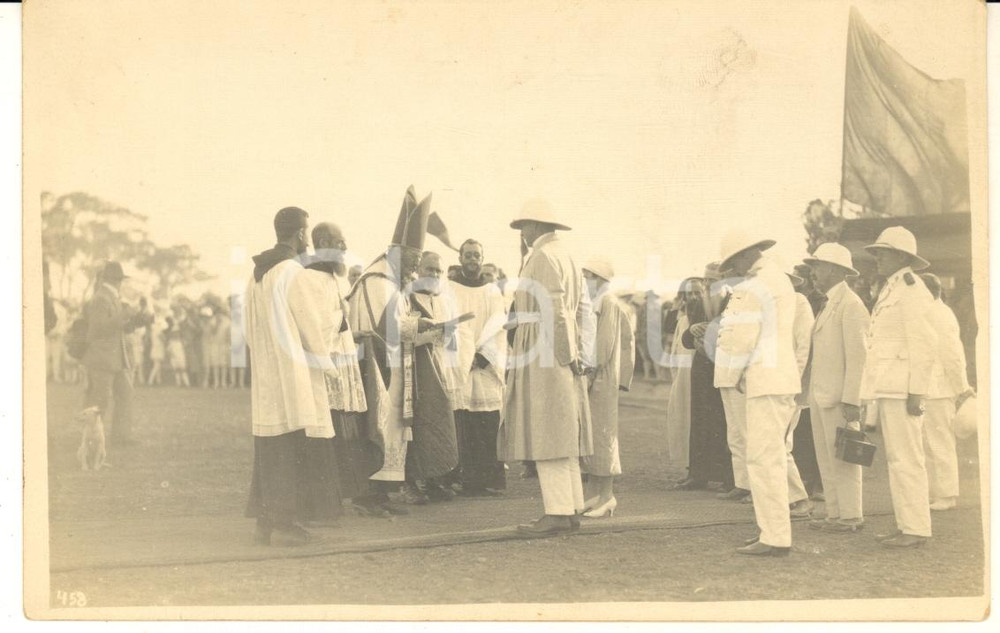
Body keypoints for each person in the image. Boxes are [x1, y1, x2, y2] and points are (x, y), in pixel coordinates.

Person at [244, 206, 343, 546]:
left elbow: (248, 330)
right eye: (307, 233)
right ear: (301, 233)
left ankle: (265, 523)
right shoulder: (292, 272)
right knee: (294, 444)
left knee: (271, 445)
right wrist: (328, 365)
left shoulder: (256, 275)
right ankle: (286, 525)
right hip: (294, 372)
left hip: (267, 375)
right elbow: (310, 326)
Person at [498, 199, 595, 537]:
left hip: (546, 349)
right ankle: (570, 507)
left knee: (547, 430)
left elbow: (556, 308)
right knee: (562, 431)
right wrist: (579, 351)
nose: (522, 233)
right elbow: (580, 309)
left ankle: (557, 511)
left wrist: (567, 354)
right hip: (553, 345)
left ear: (536, 225)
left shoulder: (543, 256)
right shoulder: (566, 255)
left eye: (523, 226)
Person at [346, 186, 439, 517]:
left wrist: (419, 325)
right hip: (376, 367)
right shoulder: (376, 281)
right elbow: (385, 329)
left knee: (392, 428)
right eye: (412, 261)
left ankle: (382, 494)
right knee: (378, 425)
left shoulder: (392, 282)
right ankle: (366, 497)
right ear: (396, 253)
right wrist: (421, 326)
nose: (414, 269)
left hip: (393, 366)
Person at [714, 230, 800, 557]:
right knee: (770, 457)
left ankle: (775, 536)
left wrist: (734, 372)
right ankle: (774, 531)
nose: (733, 269)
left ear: (746, 255)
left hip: (764, 378)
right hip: (780, 377)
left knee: (763, 460)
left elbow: (743, 336)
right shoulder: (779, 279)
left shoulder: (756, 284)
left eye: (734, 262)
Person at [860, 226, 938, 548]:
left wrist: (917, 391)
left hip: (904, 388)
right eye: (877, 251)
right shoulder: (891, 288)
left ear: (902, 257)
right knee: (897, 460)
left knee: (907, 459)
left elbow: (924, 343)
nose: (877, 257)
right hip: (889, 385)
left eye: (884, 252)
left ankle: (916, 528)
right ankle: (907, 525)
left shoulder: (911, 289)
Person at [305, 222, 383, 514]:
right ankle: (324, 501)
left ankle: (343, 495)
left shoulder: (334, 277)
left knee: (346, 435)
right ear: (324, 242)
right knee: (330, 434)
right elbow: (316, 326)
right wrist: (341, 327)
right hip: (327, 368)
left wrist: (353, 334)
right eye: (340, 242)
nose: (345, 247)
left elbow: (338, 323)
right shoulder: (310, 277)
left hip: (343, 363)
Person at [802, 242, 868, 533]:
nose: (813, 272)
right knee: (826, 457)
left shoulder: (851, 305)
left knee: (844, 458)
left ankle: (850, 516)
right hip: (821, 394)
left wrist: (852, 400)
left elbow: (858, 357)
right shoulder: (829, 303)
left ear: (834, 269)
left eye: (817, 266)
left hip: (840, 398)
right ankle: (835, 513)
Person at [400, 250, 461, 504]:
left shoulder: (445, 298)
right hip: (413, 369)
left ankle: (435, 479)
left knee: (437, 422)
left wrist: (447, 334)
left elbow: (454, 338)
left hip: (438, 365)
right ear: (418, 270)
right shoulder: (407, 296)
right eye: (429, 269)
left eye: (438, 270)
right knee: (415, 426)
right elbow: (402, 334)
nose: (434, 274)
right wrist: (430, 334)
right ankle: (411, 483)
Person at [449, 240, 509, 497]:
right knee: (463, 423)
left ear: (482, 259)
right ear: (460, 258)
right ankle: (465, 479)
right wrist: (464, 356)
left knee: (486, 423)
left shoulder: (492, 291)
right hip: (460, 365)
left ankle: (488, 480)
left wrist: (482, 357)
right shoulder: (448, 289)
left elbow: (499, 327)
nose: (473, 259)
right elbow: (449, 324)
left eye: (477, 255)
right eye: (468, 255)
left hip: (485, 366)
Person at [580, 259, 635, 518]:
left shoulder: (608, 303)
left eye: (588, 275)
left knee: (603, 436)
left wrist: (589, 374)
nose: (584, 280)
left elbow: (603, 347)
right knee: (591, 437)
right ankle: (594, 494)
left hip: (600, 377)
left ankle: (607, 496)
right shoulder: (595, 301)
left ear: (601, 279)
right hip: (593, 376)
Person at [675, 264, 734, 492]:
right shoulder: (698, 304)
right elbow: (686, 340)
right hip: (701, 372)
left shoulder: (733, 303)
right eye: (706, 280)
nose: (708, 285)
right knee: (699, 421)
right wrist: (692, 331)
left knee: (724, 423)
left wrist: (711, 333)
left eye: (713, 280)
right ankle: (698, 474)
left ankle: (728, 478)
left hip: (723, 370)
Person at [82, 262, 153, 447]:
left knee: (122, 395)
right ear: (117, 281)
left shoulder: (110, 298)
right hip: (103, 357)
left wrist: (139, 320)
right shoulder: (101, 298)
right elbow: (98, 328)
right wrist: (124, 315)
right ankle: (93, 439)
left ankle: (119, 437)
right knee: (101, 401)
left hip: (114, 357)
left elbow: (118, 328)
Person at [920, 273, 974, 512]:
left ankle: (947, 494)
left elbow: (953, 355)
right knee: (928, 443)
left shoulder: (940, 314)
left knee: (940, 442)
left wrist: (961, 387)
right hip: (928, 388)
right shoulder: (929, 312)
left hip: (940, 389)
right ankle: (935, 492)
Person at [783, 271, 816, 518]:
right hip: (768, 384)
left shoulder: (799, 303)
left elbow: (805, 347)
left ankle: (800, 499)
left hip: (788, 386)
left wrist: (795, 384)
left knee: (779, 442)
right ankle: (786, 498)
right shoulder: (769, 305)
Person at [664, 278, 698, 473]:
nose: (693, 298)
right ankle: (690, 468)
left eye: (697, 293)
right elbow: (675, 353)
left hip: (701, 380)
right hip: (683, 380)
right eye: (689, 294)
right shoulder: (683, 321)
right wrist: (676, 379)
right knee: (683, 421)